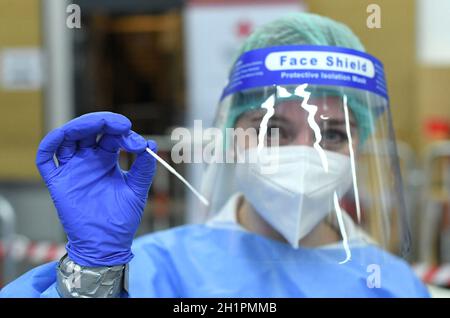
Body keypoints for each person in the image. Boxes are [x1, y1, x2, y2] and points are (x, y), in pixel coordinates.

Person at [0, 13, 429, 298]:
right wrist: (91, 275)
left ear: (359, 144)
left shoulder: (392, 285)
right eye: (272, 129)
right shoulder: (152, 272)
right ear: (231, 134)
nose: (306, 153)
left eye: (332, 133)